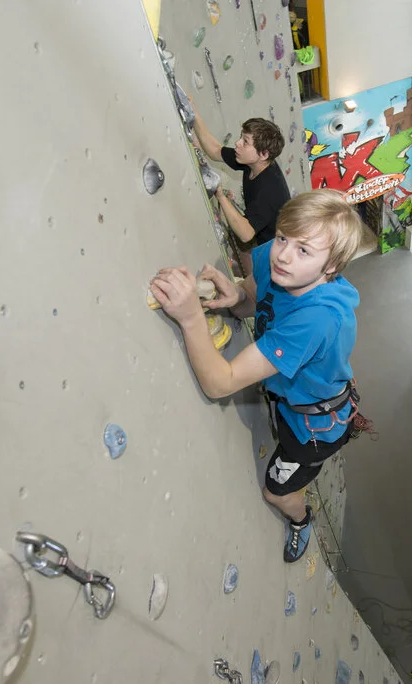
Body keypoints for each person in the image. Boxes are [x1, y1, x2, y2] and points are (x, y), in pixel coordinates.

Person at [149, 190, 363, 563]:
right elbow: (253, 299)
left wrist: (189, 317)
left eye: (304, 251)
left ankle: (301, 519)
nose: (283, 254)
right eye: (284, 237)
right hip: (287, 397)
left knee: (276, 491)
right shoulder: (271, 259)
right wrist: (235, 297)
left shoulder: (319, 319)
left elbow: (221, 382)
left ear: (331, 268)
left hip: (312, 429)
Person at [188, 111, 290, 260]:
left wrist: (220, 195)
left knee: (252, 275)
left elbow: (246, 234)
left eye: (245, 141)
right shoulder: (252, 163)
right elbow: (215, 150)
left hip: (279, 253)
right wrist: (194, 114)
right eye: (241, 137)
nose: (237, 143)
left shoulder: (269, 191)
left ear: (264, 154)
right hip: (262, 236)